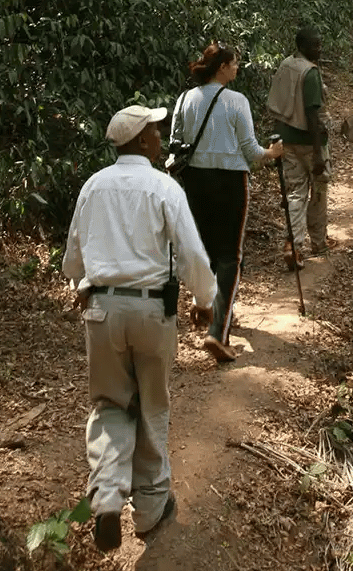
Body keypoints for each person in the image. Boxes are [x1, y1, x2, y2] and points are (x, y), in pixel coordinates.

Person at [62, 104, 220, 553]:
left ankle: (108, 493)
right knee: (151, 405)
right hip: (152, 312)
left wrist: (84, 284)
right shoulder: (163, 188)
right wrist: (203, 301)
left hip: (103, 312)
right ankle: (150, 510)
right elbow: (190, 253)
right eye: (154, 129)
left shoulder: (93, 186)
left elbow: (73, 259)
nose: (159, 134)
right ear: (141, 141)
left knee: (110, 403)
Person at [169, 42, 284, 363]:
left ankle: (202, 302)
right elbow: (250, 150)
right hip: (230, 181)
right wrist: (271, 154)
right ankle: (218, 333)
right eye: (234, 64)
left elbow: (175, 144)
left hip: (193, 179)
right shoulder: (236, 101)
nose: (237, 68)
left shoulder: (184, 99)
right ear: (221, 67)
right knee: (229, 255)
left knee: (201, 247)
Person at [267, 27, 336, 270]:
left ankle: (293, 246)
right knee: (318, 192)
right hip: (309, 142)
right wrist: (318, 153)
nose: (319, 49)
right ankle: (318, 242)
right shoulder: (310, 73)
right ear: (303, 46)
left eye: (319, 44)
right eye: (315, 45)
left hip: (286, 139)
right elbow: (313, 113)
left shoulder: (287, 64)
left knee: (295, 193)